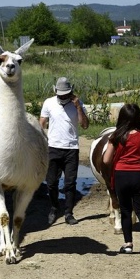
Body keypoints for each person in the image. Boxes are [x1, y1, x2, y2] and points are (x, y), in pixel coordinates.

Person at [103, 104, 140, 255]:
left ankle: (128, 244)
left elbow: (106, 160)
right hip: (138, 175)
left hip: (121, 176)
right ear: (138, 118)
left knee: (125, 210)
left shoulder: (116, 136)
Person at [40, 77, 89, 225]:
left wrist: (78, 107)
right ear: (56, 91)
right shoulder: (49, 103)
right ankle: (54, 208)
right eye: (60, 94)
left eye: (65, 94)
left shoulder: (78, 104)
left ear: (71, 92)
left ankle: (68, 213)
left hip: (71, 149)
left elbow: (85, 125)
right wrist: (41, 141)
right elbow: (41, 122)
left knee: (70, 183)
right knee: (51, 183)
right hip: (53, 147)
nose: (62, 97)